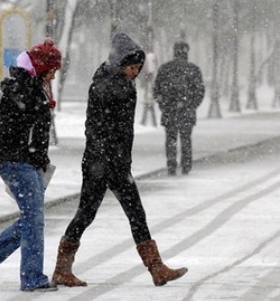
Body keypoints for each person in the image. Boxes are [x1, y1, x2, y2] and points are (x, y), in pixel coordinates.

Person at [52, 33, 187, 287]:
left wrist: (118, 159)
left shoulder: (117, 82)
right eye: (132, 67)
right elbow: (96, 127)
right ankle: (62, 268)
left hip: (112, 162)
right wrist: (109, 158)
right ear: (120, 62)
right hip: (102, 163)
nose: (135, 72)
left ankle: (156, 268)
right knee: (90, 213)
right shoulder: (108, 86)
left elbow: (118, 130)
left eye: (138, 68)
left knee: (128, 212)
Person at [0, 38, 61, 292]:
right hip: (16, 162)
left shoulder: (34, 89)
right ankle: (32, 277)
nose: (54, 77)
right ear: (43, 68)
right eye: (52, 71)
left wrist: (41, 162)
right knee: (34, 219)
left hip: (29, 161)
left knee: (32, 219)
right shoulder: (21, 89)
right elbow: (8, 129)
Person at [153, 41, 205, 176]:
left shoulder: (164, 69)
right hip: (186, 112)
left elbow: (156, 90)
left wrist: (164, 105)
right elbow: (200, 91)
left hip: (169, 111)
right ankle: (186, 165)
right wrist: (191, 105)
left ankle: (171, 165)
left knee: (170, 139)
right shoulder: (193, 69)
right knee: (186, 139)